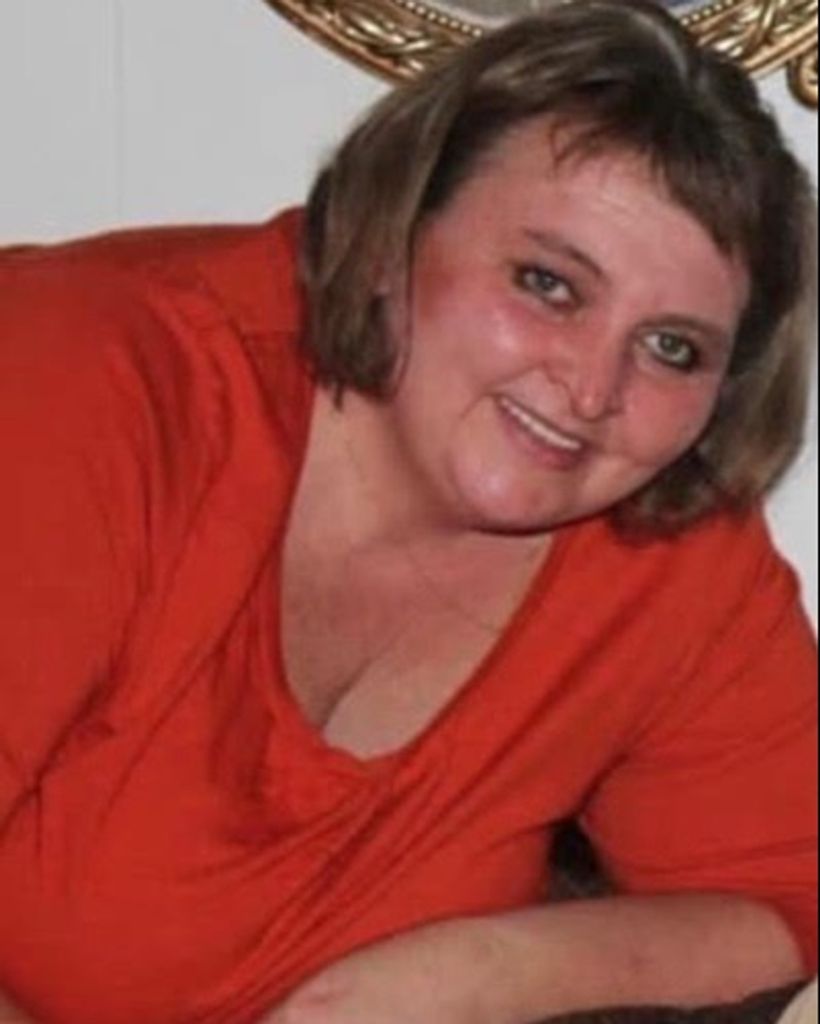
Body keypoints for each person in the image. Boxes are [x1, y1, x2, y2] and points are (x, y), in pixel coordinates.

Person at [0, 0, 816, 1021]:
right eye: (548, 284)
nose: (591, 388)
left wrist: (474, 975)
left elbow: (793, 900)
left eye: (671, 348)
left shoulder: (662, 544)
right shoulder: (84, 377)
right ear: (391, 235)